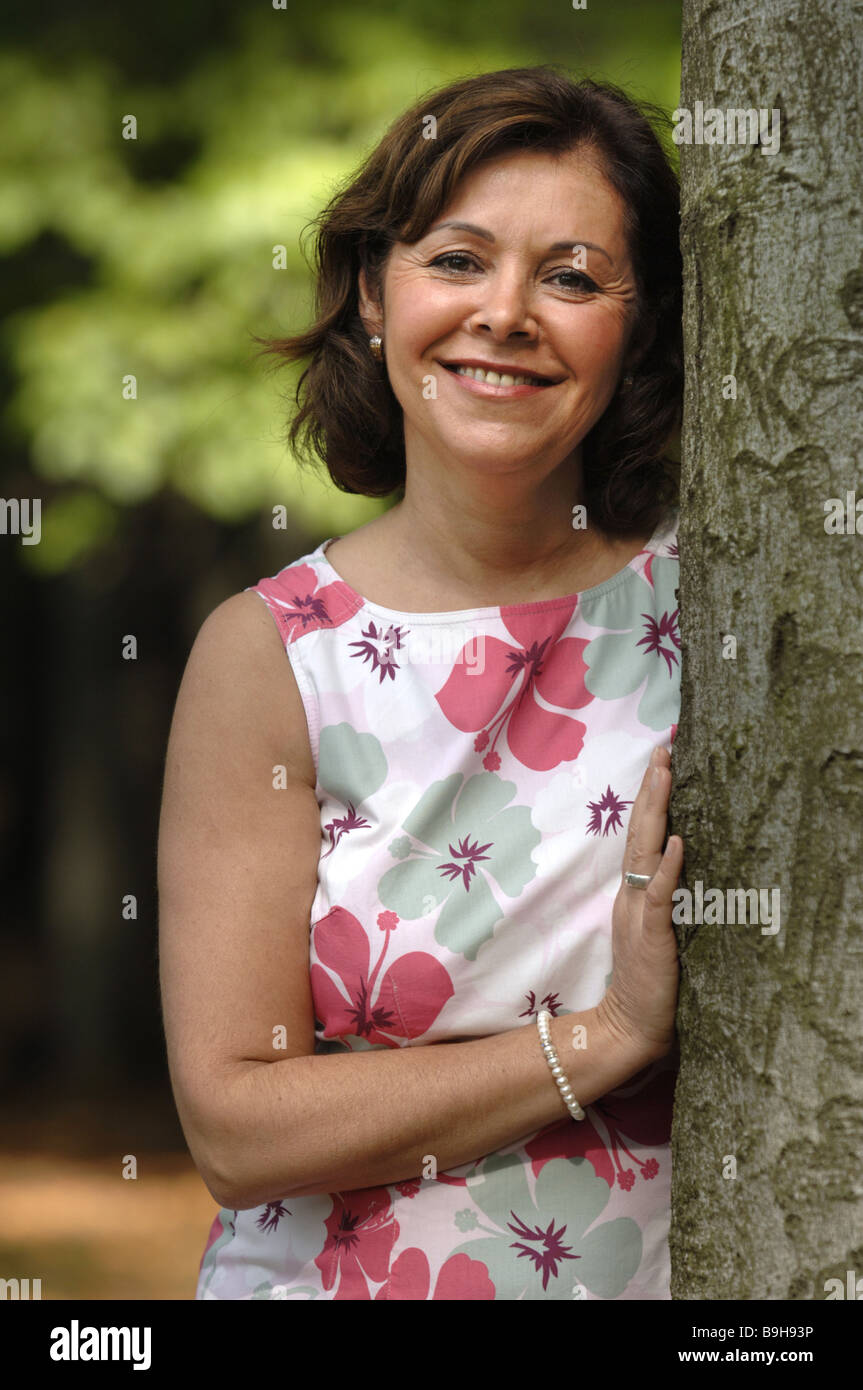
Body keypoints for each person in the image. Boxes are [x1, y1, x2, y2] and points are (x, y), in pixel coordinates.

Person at [158, 64, 685, 1301]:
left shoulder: (717, 614)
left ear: (642, 324)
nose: (504, 313)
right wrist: (603, 1040)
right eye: (456, 260)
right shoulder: (273, 652)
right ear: (367, 294)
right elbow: (235, 1129)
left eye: (570, 275)